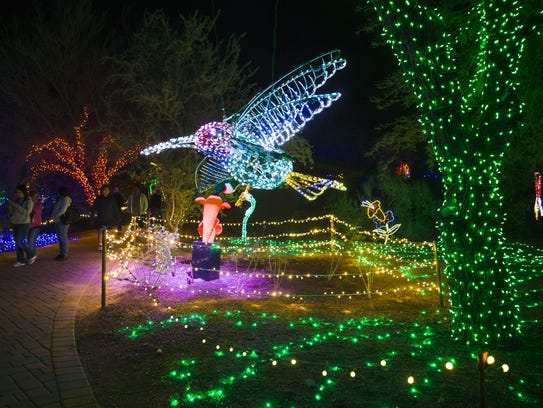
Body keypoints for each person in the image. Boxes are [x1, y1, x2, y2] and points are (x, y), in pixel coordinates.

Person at [8, 184, 34, 267]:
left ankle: (31, 254)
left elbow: (26, 212)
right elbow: (13, 212)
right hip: (15, 223)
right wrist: (11, 206)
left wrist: (14, 204)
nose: (18, 194)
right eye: (17, 192)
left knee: (20, 242)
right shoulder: (18, 200)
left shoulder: (28, 201)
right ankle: (21, 260)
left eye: (19, 192)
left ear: (24, 192)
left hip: (24, 224)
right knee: (17, 243)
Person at [92, 184, 121, 250]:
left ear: (109, 191)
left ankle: (110, 243)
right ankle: (100, 245)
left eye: (107, 190)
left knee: (109, 231)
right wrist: (92, 217)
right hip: (101, 218)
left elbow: (115, 209)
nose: (105, 191)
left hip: (109, 218)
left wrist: (118, 217)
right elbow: (93, 209)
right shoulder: (98, 199)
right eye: (104, 190)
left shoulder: (112, 199)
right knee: (100, 231)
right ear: (101, 191)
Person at [50, 186, 71, 261]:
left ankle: (64, 254)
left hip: (62, 221)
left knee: (63, 238)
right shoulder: (61, 198)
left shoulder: (65, 199)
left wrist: (55, 215)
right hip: (58, 221)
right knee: (61, 237)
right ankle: (62, 253)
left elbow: (63, 210)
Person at [27, 190, 43, 263]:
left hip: (36, 226)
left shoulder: (39, 204)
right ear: (31, 197)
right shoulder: (28, 203)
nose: (36, 198)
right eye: (35, 196)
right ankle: (32, 255)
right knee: (29, 242)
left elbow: (35, 212)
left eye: (37, 196)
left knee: (31, 242)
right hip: (27, 225)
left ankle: (32, 256)